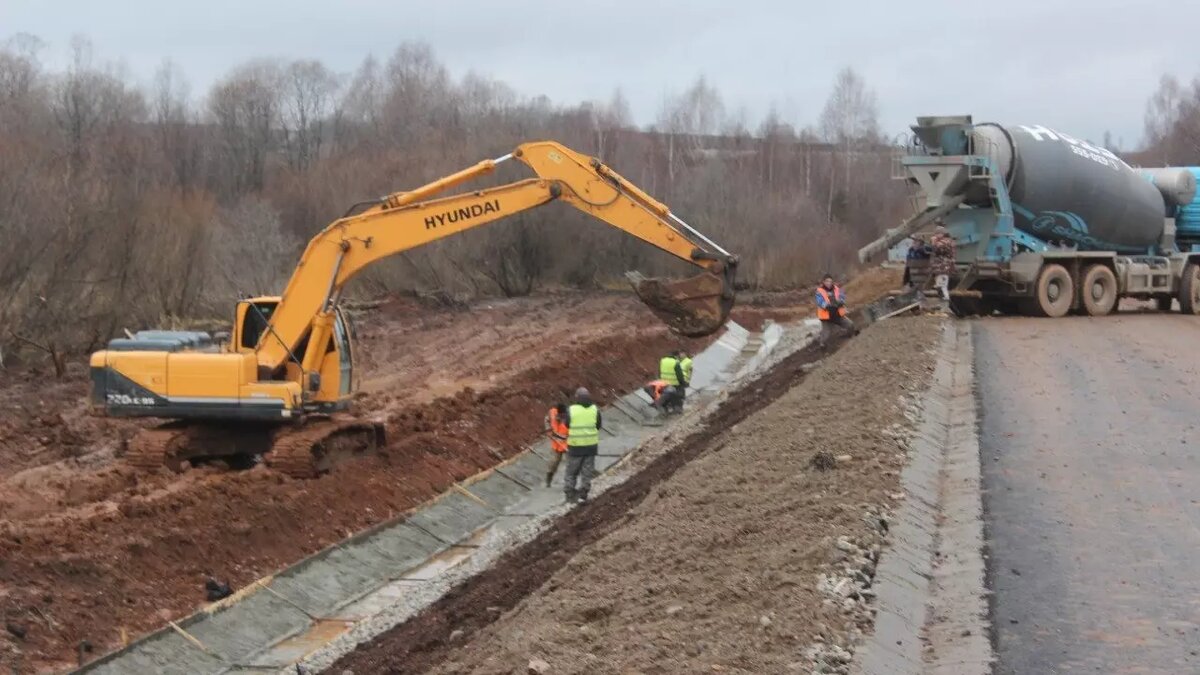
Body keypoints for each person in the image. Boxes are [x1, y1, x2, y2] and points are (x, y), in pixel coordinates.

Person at [562, 387, 602, 503]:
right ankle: (583, 494)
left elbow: (567, 424)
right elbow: (598, 425)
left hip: (575, 447)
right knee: (587, 472)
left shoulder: (571, 410)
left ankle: (570, 496)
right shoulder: (595, 410)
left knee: (571, 472)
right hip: (591, 447)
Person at [815, 274, 857, 348]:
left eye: (830, 281)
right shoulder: (819, 291)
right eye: (827, 281)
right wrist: (827, 305)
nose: (829, 283)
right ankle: (821, 343)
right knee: (826, 336)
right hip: (826, 317)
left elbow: (842, 297)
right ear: (823, 282)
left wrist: (841, 301)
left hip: (837, 315)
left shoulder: (837, 289)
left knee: (850, 325)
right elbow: (819, 301)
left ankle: (847, 336)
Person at [543, 402, 569, 487]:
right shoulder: (552, 413)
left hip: (567, 444)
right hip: (556, 444)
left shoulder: (569, 418)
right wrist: (548, 429)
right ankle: (548, 479)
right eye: (560, 415)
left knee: (571, 463)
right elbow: (547, 419)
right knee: (553, 462)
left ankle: (570, 481)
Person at [929, 224, 957, 300]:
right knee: (939, 286)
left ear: (943, 234)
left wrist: (933, 242)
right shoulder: (944, 241)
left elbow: (937, 249)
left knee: (941, 287)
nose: (936, 235)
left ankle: (944, 303)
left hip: (944, 268)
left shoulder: (946, 241)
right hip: (940, 268)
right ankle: (943, 302)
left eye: (938, 233)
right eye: (936, 234)